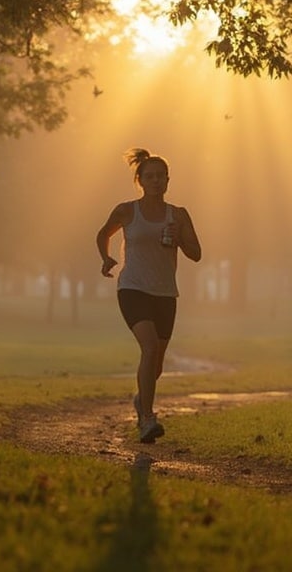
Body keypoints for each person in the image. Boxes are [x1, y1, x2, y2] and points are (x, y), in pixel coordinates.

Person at [96, 148, 202, 443]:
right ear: (139, 180)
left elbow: (196, 254)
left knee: (156, 363)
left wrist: (179, 237)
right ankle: (147, 418)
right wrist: (106, 258)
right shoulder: (127, 210)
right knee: (150, 347)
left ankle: (141, 399)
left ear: (168, 181)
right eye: (150, 176)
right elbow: (103, 233)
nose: (156, 181)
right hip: (132, 287)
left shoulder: (178, 215)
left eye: (161, 177)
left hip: (165, 292)